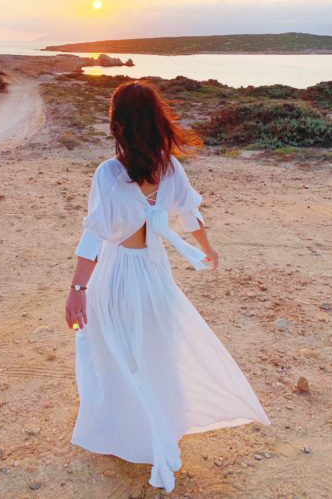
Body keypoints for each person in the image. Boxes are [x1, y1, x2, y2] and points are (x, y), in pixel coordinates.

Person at [65, 79, 271, 493]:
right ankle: (156, 427)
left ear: (118, 124)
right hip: (155, 274)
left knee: (116, 354)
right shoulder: (170, 168)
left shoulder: (109, 174)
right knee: (158, 350)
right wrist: (207, 249)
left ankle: (131, 434)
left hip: (118, 275)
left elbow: (94, 238)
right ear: (157, 120)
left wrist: (77, 291)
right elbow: (189, 216)